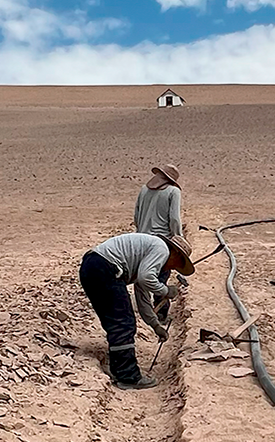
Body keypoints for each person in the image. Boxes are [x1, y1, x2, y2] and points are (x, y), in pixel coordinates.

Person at [79, 232, 194, 389]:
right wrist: (166, 290)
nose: (173, 268)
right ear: (176, 253)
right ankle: (127, 376)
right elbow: (146, 277)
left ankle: (119, 369)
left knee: (117, 320)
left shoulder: (149, 254)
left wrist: (155, 325)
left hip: (94, 267)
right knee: (123, 323)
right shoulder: (162, 249)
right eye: (177, 263)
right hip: (105, 268)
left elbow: (143, 296)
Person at [135, 164, 184, 323]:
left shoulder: (144, 190)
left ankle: (146, 311)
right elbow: (175, 219)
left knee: (143, 275)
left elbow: (136, 216)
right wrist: (178, 239)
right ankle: (160, 313)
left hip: (140, 239)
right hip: (161, 242)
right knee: (160, 277)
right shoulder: (173, 192)